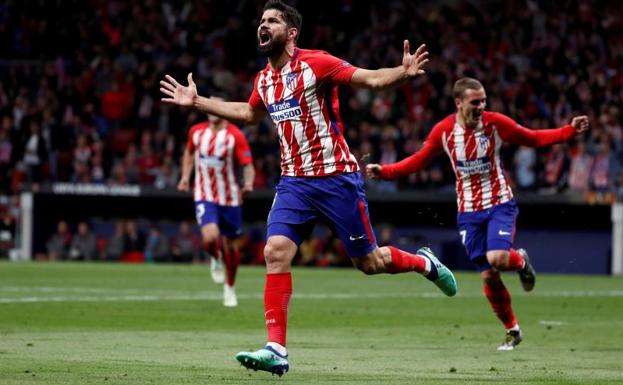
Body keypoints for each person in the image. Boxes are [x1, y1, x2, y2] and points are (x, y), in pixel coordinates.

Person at [160, 0, 457, 376]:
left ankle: (423, 262)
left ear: (291, 33)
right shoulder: (263, 79)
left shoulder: (317, 63)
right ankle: (276, 349)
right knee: (275, 251)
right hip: (294, 184)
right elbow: (251, 114)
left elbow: (370, 78)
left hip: (336, 178)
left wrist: (402, 71)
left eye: (272, 20)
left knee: (369, 263)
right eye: (261, 20)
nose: (262, 25)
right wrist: (199, 101)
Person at [367, 77, 590, 351]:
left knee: (496, 257)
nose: (482, 106)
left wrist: (568, 131)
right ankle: (513, 330)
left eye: (484, 100)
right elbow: (418, 160)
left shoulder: (495, 123)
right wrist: (385, 172)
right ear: (458, 103)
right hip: (468, 212)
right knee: (488, 275)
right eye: (476, 101)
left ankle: (520, 262)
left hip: (499, 204)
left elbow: (531, 138)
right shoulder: (444, 132)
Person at [177, 100, 255, 307]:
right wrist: (185, 176)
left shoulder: (234, 135)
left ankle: (230, 286)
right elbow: (189, 153)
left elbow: (247, 163)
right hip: (204, 194)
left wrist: (248, 182)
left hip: (230, 198)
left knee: (231, 246)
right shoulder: (196, 132)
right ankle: (214, 257)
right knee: (210, 237)